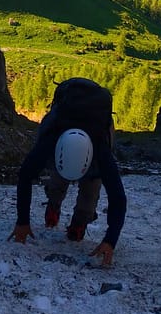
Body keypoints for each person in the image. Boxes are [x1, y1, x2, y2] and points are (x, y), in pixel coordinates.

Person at [9, 86, 126, 267]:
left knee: (89, 195)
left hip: (93, 148)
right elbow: (25, 175)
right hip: (62, 144)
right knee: (57, 184)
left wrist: (110, 240)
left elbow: (118, 198)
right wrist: (22, 221)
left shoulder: (101, 150)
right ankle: (53, 205)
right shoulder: (50, 139)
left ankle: (79, 223)